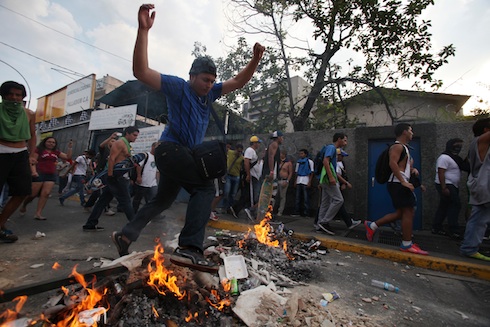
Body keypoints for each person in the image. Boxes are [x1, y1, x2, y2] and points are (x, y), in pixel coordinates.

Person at [111, 4, 265, 273]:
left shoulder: (210, 95)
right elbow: (141, 71)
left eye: (212, 80)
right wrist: (143, 30)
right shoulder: (178, 87)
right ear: (192, 76)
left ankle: (126, 234)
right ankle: (190, 248)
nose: (208, 84)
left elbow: (238, 82)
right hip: (171, 150)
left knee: (162, 200)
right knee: (205, 189)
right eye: (205, 79)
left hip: (182, 156)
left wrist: (255, 60)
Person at [364, 123, 428, 255]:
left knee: (401, 213)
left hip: (399, 183)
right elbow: (392, 163)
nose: (412, 133)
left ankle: (373, 225)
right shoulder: (397, 146)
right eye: (411, 130)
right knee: (408, 212)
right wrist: (404, 182)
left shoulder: (405, 148)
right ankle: (406, 244)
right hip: (397, 184)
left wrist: (413, 175)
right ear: (404, 132)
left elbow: (403, 167)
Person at [82, 126, 139, 231]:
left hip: (118, 176)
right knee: (126, 201)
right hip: (116, 177)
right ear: (127, 133)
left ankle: (90, 224)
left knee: (103, 201)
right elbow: (112, 159)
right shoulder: (120, 143)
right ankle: (135, 225)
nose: (136, 138)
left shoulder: (126, 144)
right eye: (134, 135)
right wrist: (110, 175)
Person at [0, 81, 36, 243]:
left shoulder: (29, 113)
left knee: (22, 191)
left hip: (20, 153)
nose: (14, 98)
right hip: (1, 151)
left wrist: (32, 154)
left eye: (18, 95)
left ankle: (1, 224)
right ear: (4, 95)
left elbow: (33, 135)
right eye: (11, 94)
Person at [19, 137, 73, 220]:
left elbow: (67, 157)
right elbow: (32, 161)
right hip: (39, 173)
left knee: (46, 193)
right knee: (33, 194)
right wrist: (34, 172)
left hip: (51, 175)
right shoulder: (39, 150)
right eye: (49, 142)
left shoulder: (56, 152)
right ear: (45, 142)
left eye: (53, 142)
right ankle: (24, 205)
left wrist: (70, 147)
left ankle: (38, 213)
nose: (51, 144)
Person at [460, 118, 490, 261]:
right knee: (479, 218)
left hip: (482, 186)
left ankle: (470, 247)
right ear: (486, 130)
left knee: (479, 217)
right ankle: (469, 248)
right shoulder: (479, 141)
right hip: (483, 186)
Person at [432, 138, 468, 239]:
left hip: (453, 185)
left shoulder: (456, 158)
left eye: (460, 146)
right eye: (456, 145)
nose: (458, 148)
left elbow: (465, 166)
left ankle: (437, 227)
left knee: (444, 206)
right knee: (455, 205)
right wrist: (444, 188)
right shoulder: (444, 157)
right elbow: (441, 172)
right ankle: (453, 229)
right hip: (447, 185)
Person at [316, 133, 348, 235]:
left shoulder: (330, 148)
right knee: (339, 200)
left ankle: (320, 224)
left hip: (325, 179)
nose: (345, 143)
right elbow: (326, 161)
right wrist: (331, 177)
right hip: (328, 179)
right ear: (339, 139)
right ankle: (325, 222)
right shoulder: (331, 148)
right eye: (344, 140)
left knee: (325, 202)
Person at [84, 132, 119, 215]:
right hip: (101, 174)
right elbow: (101, 146)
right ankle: (105, 208)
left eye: (115, 141)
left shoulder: (116, 153)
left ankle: (91, 205)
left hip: (109, 175)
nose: (113, 143)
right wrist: (111, 137)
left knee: (103, 192)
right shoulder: (105, 151)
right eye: (112, 141)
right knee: (100, 192)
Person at [232, 135, 262, 221]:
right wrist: (248, 175)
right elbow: (246, 163)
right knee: (248, 195)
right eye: (258, 143)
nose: (259, 145)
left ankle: (237, 209)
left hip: (253, 176)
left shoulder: (252, 151)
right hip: (250, 176)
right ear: (254, 143)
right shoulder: (250, 150)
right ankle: (236, 209)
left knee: (247, 194)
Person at [335, 148, 361, 229]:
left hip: (338, 185)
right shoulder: (334, 163)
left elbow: (343, 174)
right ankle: (349, 222)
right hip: (334, 186)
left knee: (334, 203)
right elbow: (337, 175)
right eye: (341, 156)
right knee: (338, 202)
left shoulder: (342, 163)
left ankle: (320, 221)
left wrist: (344, 183)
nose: (342, 157)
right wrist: (346, 183)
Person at [132, 142, 159, 213]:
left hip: (153, 183)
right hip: (143, 181)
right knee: (138, 198)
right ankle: (133, 212)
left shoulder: (157, 158)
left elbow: (157, 171)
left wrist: (157, 180)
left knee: (153, 199)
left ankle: (152, 214)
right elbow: (139, 166)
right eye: (156, 147)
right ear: (152, 147)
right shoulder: (146, 155)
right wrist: (139, 176)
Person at [224, 144, 244, 218]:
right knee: (227, 192)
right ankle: (225, 206)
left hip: (236, 176)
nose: (239, 153)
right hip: (229, 175)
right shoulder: (230, 152)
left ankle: (229, 207)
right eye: (238, 151)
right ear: (235, 149)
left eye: (241, 152)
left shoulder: (242, 158)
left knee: (233, 194)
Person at [292, 149, 313, 217]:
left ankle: (306, 212)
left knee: (306, 198)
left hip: (305, 180)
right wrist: (295, 181)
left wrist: (309, 181)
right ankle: (296, 211)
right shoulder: (298, 162)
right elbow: (296, 172)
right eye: (300, 154)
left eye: (302, 153)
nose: (300, 155)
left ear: (305, 154)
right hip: (299, 180)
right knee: (297, 197)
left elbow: (312, 172)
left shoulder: (310, 162)